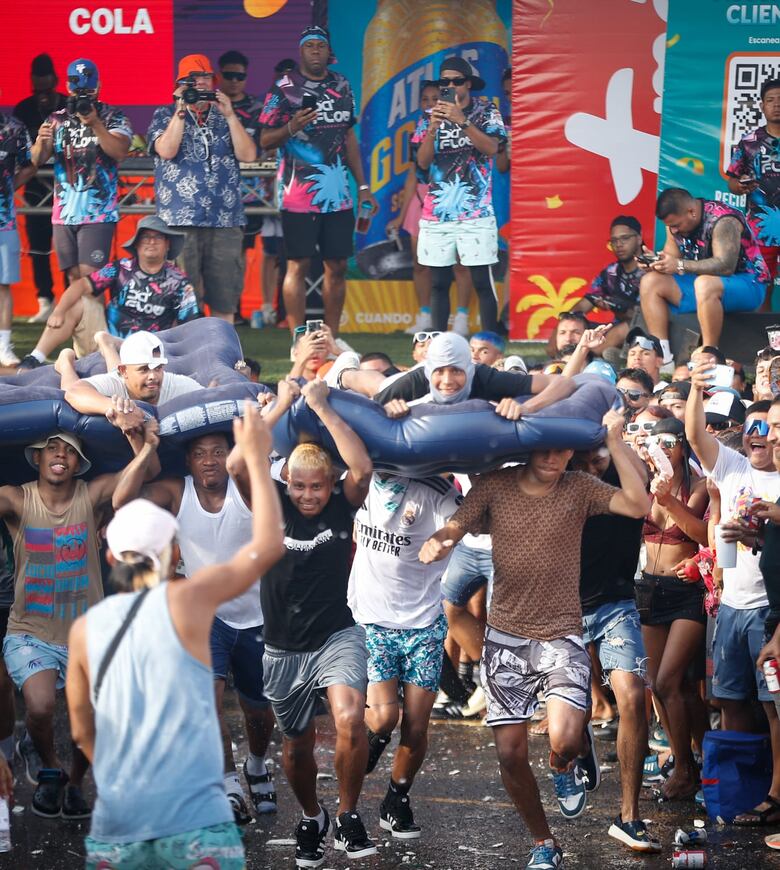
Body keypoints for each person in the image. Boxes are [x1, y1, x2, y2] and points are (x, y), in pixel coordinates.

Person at [419, 409, 650, 870]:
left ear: (574, 451)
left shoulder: (580, 488)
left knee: (563, 739)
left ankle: (563, 766)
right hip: (505, 640)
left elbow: (637, 505)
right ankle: (544, 842)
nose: (553, 457)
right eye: (544, 446)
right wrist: (441, 540)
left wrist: (616, 439)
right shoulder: (496, 486)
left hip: (562, 635)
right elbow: (459, 523)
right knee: (508, 752)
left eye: (563, 448)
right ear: (527, 447)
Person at [66, 403, 284, 868]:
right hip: (193, 817)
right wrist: (259, 461)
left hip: (120, 818)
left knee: (253, 705)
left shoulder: (85, 629)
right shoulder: (190, 603)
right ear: (171, 552)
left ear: (111, 559)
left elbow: (83, 730)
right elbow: (269, 547)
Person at [110, 421, 280, 824]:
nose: (209, 460)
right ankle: (228, 785)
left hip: (257, 615)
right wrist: (145, 449)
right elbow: (122, 499)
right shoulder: (176, 490)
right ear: (188, 460)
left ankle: (256, 765)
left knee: (258, 712)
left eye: (218, 451)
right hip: (209, 616)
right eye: (200, 453)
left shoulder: (243, 487)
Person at [0, 430, 152, 819]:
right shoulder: (17, 498)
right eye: (53, 447)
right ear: (37, 458)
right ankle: (50, 766)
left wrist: (145, 442)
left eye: (70, 451)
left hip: (88, 635)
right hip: (30, 632)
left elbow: (146, 472)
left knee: (90, 722)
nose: (61, 455)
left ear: (78, 464)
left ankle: (74, 783)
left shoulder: (92, 494)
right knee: (40, 705)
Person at [260, 379, 376, 867]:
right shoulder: (271, 504)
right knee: (296, 745)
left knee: (351, 719)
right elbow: (240, 459)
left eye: (318, 486)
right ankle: (313, 816)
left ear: (331, 485)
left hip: (336, 633)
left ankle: (348, 815)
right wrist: (284, 402)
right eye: (300, 486)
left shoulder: (344, 503)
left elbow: (363, 466)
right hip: (283, 646)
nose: (309, 496)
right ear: (287, 483)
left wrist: (322, 406)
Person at [685, 369, 780, 826]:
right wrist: (694, 391)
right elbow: (692, 433)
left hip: (768, 608)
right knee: (731, 698)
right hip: (732, 605)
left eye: (769, 429)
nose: (759, 436)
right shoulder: (734, 467)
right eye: (753, 428)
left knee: (773, 705)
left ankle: (777, 791)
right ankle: (746, 789)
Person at [349, 468, 462, 838]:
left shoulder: (437, 490)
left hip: (423, 625)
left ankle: (396, 798)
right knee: (383, 719)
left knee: (415, 725)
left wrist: (448, 534)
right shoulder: (358, 479)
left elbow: (469, 517)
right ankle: (376, 737)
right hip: (372, 621)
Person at [260, 25, 377, 335]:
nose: (315, 50)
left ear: (328, 52)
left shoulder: (342, 84)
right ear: (301, 51)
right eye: (309, 45)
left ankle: (332, 337)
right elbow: (265, 140)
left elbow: (349, 137)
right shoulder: (283, 87)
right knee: (297, 266)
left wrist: (363, 186)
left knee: (336, 267)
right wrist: (290, 127)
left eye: (320, 45)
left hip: (338, 195)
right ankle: (298, 338)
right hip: (298, 196)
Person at [572, 443, 660, 852]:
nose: (591, 468)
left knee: (632, 698)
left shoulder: (627, 472)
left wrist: (614, 430)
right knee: (568, 727)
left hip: (616, 605)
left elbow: (640, 483)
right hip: (564, 608)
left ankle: (629, 815)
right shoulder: (565, 477)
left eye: (598, 459)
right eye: (583, 461)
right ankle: (576, 743)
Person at [147, 54, 256, 324]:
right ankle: (184, 361)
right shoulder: (164, 114)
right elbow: (167, 149)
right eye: (192, 79)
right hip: (179, 220)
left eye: (205, 77)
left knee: (224, 299)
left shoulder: (226, 117)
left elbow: (249, 154)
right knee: (182, 299)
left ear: (213, 81)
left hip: (224, 218)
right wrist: (181, 111)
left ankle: (223, 359)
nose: (200, 83)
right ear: (180, 85)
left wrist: (230, 115)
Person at [30, 58, 132, 343]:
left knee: (92, 282)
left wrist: (95, 123)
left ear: (98, 86)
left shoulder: (113, 116)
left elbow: (119, 152)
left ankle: (101, 347)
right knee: (74, 281)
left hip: (97, 214)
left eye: (88, 86)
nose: (82, 92)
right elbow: (37, 160)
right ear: (67, 86)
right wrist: (40, 141)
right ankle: (84, 346)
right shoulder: (56, 118)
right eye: (76, 86)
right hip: (63, 214)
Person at [636, 417, 709, 801]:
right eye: (655, 442)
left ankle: (685, 769)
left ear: (682, 445)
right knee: (664, 686)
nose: (661, 449)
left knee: (669, 681)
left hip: (686, 591)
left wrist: (667, 500)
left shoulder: (697, 486)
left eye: (668, 442)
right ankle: (695, 759)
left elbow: (698, 532)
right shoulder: (642, 482)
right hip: (649, 587)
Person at [19, 215, 199, 370]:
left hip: (149, 354)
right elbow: (80, 285)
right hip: (104, 345)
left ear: (167, 244)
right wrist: (58, 311)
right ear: (136, 244)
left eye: (158, 237)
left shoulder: (180, 281)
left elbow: (189, 326)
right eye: (145, 237)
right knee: (78, 302)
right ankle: (34, 358)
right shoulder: (119, 267)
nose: (151, 241)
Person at [412, 57, 506, 334]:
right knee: (439, 283)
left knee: (481, 282)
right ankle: (440, 345)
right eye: (444, 82)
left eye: (456, 81)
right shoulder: (431, 116)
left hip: (475, 214)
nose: (450, 86)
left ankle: (490, 346)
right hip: (437, 215)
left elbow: (491, 148)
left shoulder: (487, 112)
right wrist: (432, 130)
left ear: (467, 84)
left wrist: (462, 121)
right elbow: (423, 162)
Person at [386, 80, 473, 337]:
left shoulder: (463, 126)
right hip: (421, 203)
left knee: (459, 264)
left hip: (454, 199)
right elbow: (414, 172)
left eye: (435, 98)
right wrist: (402, 215)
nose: (430, 103)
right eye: (425, 99)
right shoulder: (422, 130)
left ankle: (461, 319)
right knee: (420, 264)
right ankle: (425, 316)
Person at [331, 332, 576, 421]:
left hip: (491, 379)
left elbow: (564, 382)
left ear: (468, 369)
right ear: (430, 371)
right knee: (379, 385)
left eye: (456, 371)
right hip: (405, 380)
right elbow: (365, 414)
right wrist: (386, 411)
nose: (447, 381)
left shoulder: (483, 376)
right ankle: (345, 371)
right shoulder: (417, 381)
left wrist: (528, 408)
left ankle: (515, 369)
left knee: (515, 386)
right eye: (440, 372)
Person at [638, 187, 769, 353]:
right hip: (704, 285)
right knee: (651, 281)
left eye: (676, 225)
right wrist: (656, 263)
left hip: (749, 284)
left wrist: (679, 265)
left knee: (704, 283)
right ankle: (661, 354)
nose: (674, 230)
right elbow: (671, 257)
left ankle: (710, 352)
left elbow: (725, 266)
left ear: (691, 211)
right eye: (671, 226)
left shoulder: (724, 220)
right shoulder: (674, 225)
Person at [12, 53, 67, 324]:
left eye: (47, 90)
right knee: (38, 243)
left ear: (56, 83)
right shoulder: (23, 110)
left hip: (69, 183)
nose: (42, 96)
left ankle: (71, 299)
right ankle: (45, 298)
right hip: (36, 184)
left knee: (69, 246)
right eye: (37, 90)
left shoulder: (70, 106)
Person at [62, 330, 201, 434]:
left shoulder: (175, 383)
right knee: (66, 390)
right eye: (144, 369)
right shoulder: (117, 380)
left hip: (125, 377)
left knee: (125, 377)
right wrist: (115, 409)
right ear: (123, 371)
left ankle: (107, 344)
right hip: (119, 380)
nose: (153, 376)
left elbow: (210, 396)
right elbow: (73, 392)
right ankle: (65, 363)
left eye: (157, 368)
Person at [218, 49, 268, 324]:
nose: (235, 81)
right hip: (215, 197)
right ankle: (219, 311)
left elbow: (263, 148)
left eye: (240, 76)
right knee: (219, 255)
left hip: (248, 196)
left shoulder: (256, 109)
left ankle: (234, 310)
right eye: (229, 75)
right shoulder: (211, 106)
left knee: (240, 256)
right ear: (219, 75)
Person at [727, 78, 780, 310]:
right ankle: (765, 340)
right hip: (761, 225)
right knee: (762, 287)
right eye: (770, 100)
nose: (776, 104)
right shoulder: (749, 143)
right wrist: (740, 186)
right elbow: (732, 180)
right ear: (761, 106)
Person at [573, 216, 644, 350]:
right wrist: (569, 320)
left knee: (624, 328)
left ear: (639, 238)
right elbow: (584, 304)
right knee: (570, 323)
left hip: (643, 329)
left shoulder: (651, 268)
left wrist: (615, 306)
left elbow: (643, 315)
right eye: (614, 240)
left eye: (625, 238)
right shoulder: (611, 272)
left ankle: (586, 355)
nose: (618, 244)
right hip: (616, 328)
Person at [0, 108, 35, 366]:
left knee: (3, 284)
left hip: (4, 219)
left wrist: (9, 187)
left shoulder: (14, 127)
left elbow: (29, 165)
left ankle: (3, 346)